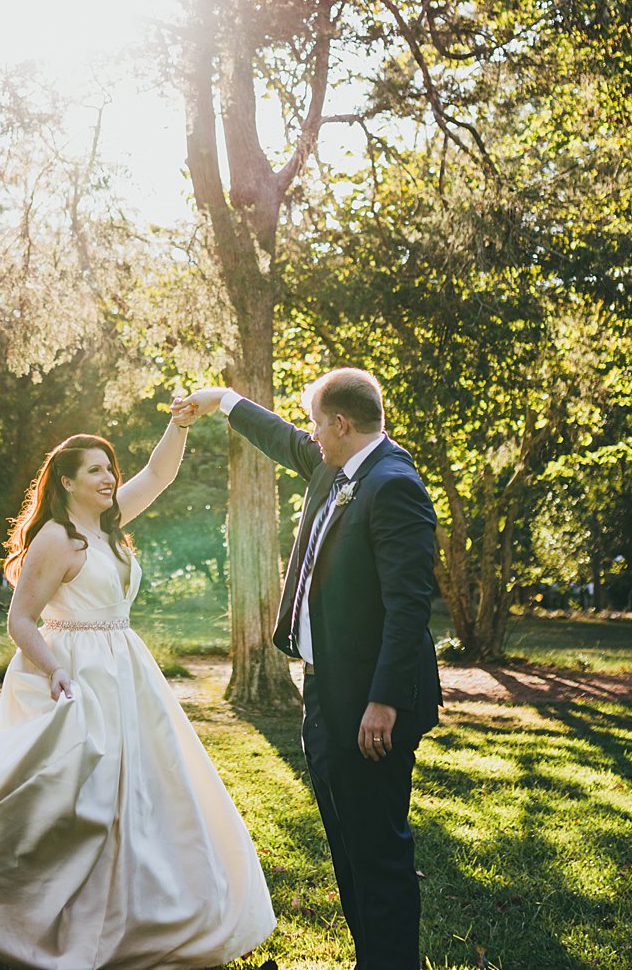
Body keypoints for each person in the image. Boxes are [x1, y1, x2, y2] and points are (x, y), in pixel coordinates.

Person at [0, 408, 275, 969]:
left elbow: (158, 475)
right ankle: (28, 910)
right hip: (72, 675)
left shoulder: (110, 523)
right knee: (77, 804)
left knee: (146, 798)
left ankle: (147, 920)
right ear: (67, 482)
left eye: (110, 469)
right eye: (96, 471)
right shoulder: (56, 538)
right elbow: (21, 619)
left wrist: (179, 425)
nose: (109, 479)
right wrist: (55, 668)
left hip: (126, 670)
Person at [182, 369, 442, 970]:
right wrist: (224, 403)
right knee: (348, 845)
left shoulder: (393, 485)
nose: (311, 435)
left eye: (316, 423)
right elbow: (281, 438)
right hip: (326, 691)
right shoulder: (338, 468)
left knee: (378, 849)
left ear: (341, 424)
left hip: (372, 703)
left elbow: (409, 608)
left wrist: (384, 701)